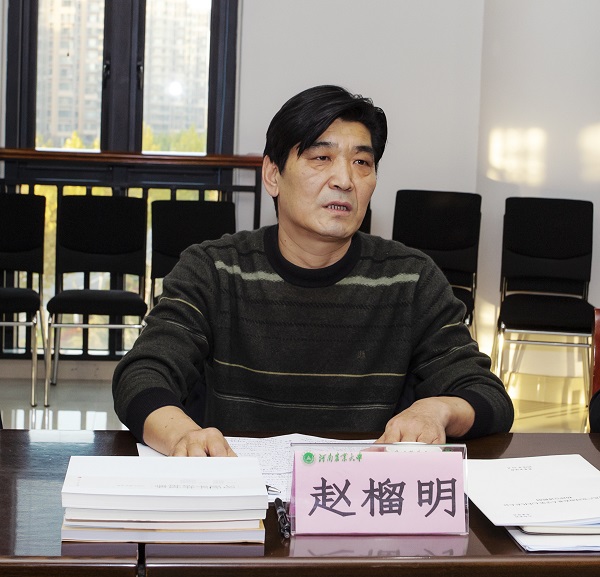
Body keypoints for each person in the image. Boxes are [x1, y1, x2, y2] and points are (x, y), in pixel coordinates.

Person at [112, 84, 514, 456]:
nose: (345, 180)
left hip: (362, 498)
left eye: (362, 162)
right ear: (273, 175)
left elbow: (486, 394)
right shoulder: (214, 269)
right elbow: (144, 373)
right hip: (242, 490)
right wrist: (183, 435)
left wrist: (437, 409)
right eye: (321, 158)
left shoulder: (410, 279)